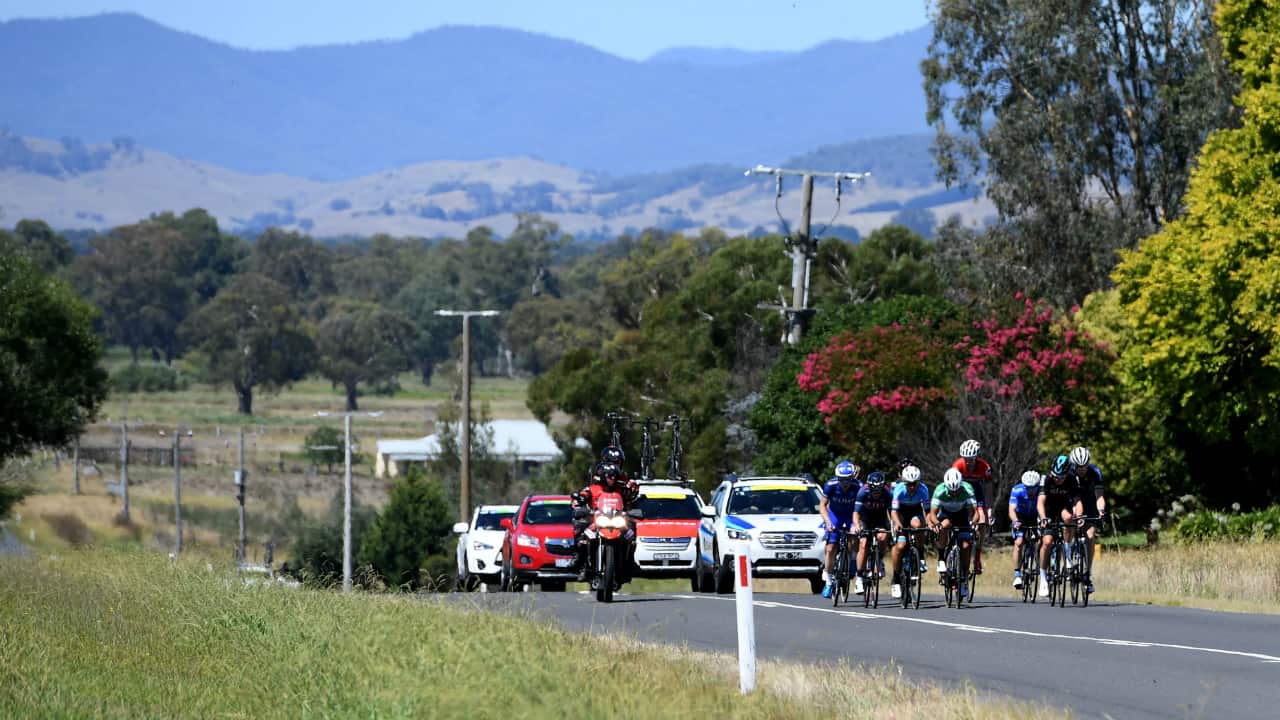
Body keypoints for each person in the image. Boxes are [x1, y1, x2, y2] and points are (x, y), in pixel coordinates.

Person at [571, 462, 639, 580]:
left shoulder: (620, 489)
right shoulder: (593, 488)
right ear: (603, 476)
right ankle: (581, 564)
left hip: (617, 521)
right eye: (609, 476)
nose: (612, 478)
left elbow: (631, 496)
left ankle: (629, 563)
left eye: (614, 476)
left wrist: (633, 490)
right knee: (582, 536)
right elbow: (583, 494)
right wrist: (581, 499)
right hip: (597, 520)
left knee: (631, 536)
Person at [1036, 455, 1082, 598]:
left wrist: (1079, 516)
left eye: (1061, 477)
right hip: (1048, 510)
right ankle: (1043, 578)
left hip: (1063, 506)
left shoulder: (1072, 480)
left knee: (1069, 519)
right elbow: (1040, 502)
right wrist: (1043, 518)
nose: (1058, 479)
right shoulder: (1047, 479)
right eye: (1056, 476)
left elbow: (1077, 501)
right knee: (1047, 542)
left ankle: (1067, 553)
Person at [928, 467, 977, 600]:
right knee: (944, 526)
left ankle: (964, 577)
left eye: (956, 491)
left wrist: (973, 522)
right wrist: (937, 524)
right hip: (946, 514)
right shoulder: (940, 490)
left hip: (962, 515)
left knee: (966, 546)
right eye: (951, 491)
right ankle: (941, 557)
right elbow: (932, 513)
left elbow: (976, 511)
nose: (954, 493)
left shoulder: (967, 489)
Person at [819, 460, 861, 598]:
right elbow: (823, 505)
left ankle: (852, 560)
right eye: (842, 480)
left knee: (853, 538)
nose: (845, 483)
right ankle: (829, 581)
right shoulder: (830, 485)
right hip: (834, 516)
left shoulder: (857, 486)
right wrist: (828, 522)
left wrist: (857, 524)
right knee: (831, 548)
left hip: (850, 516)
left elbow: (861, 507)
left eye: (848, 479)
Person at [950, 439, 992, 575]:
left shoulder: (984, 467)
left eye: (971, 459)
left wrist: (989, 509)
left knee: (983, 522)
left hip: (977, 492)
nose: (968, 462)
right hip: (961, 492)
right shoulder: (957, 466)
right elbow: (951, 485)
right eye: (966, 459)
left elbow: (989, 488)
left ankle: (977, 558)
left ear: (977, 457)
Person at [1068, 446, 1105, 594]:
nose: (1081, 469)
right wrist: (1075, 514)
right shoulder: (1068, 472)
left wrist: (1101, 511)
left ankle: (1087, 574)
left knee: (1090, 535)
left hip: (1088, 500)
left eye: (1084, 466)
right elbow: (1070, 498)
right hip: (1070, 500)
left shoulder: (1095, 472)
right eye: (1078, 466)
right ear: (1073, 464)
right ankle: (1066, 552)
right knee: (1069, 521)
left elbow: (1099, 496)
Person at [890, 464, 930, 599]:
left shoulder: (923, 490)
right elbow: (894, 511)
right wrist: (898, 524)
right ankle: (896, 578)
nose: (912, 487)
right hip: (901, 514)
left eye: (914, 484)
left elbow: (928, 511)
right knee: (900, 546)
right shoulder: (899, 490)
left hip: (915, 512)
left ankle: (920, 553)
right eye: (909, 484)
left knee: (918, 525)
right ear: (904, 482)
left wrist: (929, 523)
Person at [852, 471, 892, 595]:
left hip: (880, 519)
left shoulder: (887, 493)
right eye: (874, 490)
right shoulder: (862, 492)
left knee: (883, 536)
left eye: (878, 490)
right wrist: (857, 525)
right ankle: (859, 577)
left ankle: (879, 559)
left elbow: (892, 512)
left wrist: (893, 526)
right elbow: (856, 513)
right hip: (865, 519)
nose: (876, 493)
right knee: (863, 543)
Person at [1008, 470, 1042, 590]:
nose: (1031, 491)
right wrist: (1015, 521)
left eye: (1034, 488)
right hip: (1021, 516)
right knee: (1019, 542)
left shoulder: (1042, 491)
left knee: (1042, 539)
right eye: (1028, 488)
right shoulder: (1017, 490)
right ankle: (1017, 574)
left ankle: (1041, 563)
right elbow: (1012, 509)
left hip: (1035, 516)